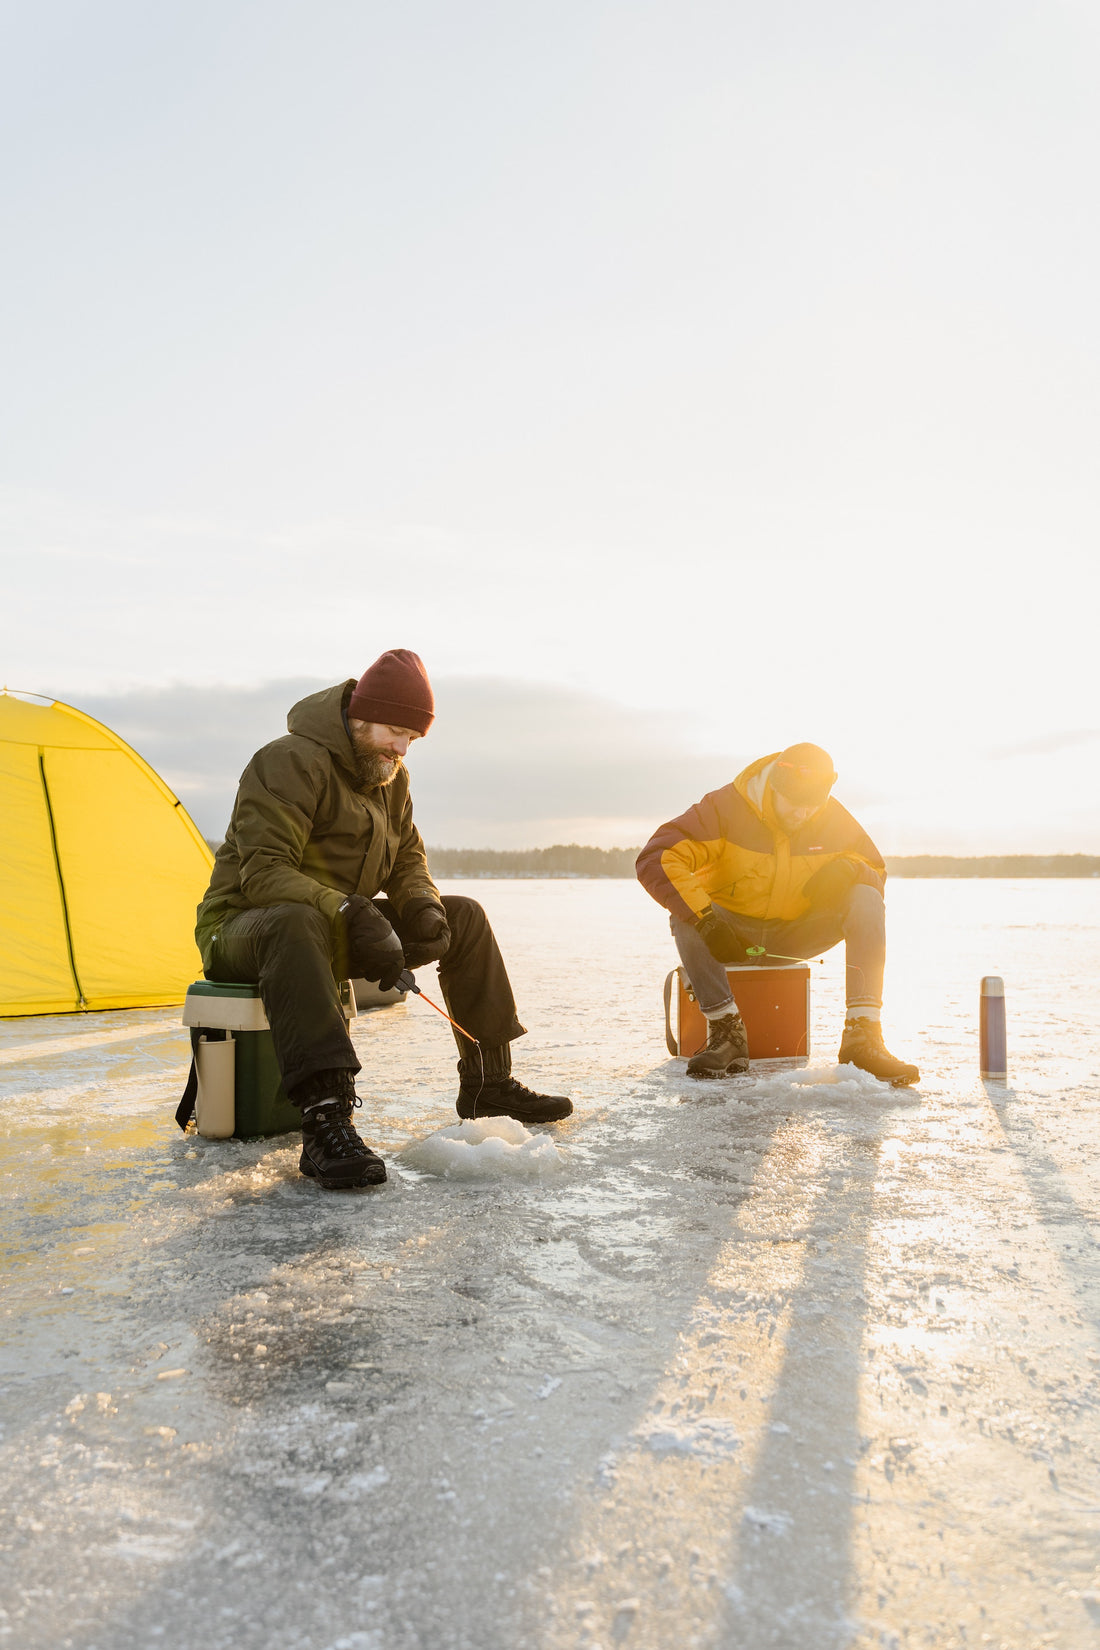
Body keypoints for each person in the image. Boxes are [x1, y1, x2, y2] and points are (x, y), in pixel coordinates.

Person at [195, 649, 572, 1189]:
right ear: (358, 715)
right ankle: (327, 1119)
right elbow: (265, 874)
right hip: (244, 927)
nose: (401, 748)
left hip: (331, 924)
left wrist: (420, 907)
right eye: (395, 730)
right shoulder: (288, 761)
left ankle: (489, 1081)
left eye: (412, 739)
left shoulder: (392, 779)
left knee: (462, 917)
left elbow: (408, 860)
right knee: (297, 921)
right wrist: (351, 909)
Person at [636, 743, 919, 1086]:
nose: (803, 815)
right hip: (730, 934)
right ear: (775, 787)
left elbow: (874, 867)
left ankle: (863, 1035)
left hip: (796, 934)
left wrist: (847, 869)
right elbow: (657, 856)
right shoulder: (724, 809)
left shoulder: (831, 816)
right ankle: (727, 1032)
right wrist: (708, 922)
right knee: (685, 910)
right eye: (796, 805)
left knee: (866, 895)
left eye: (812, 807)